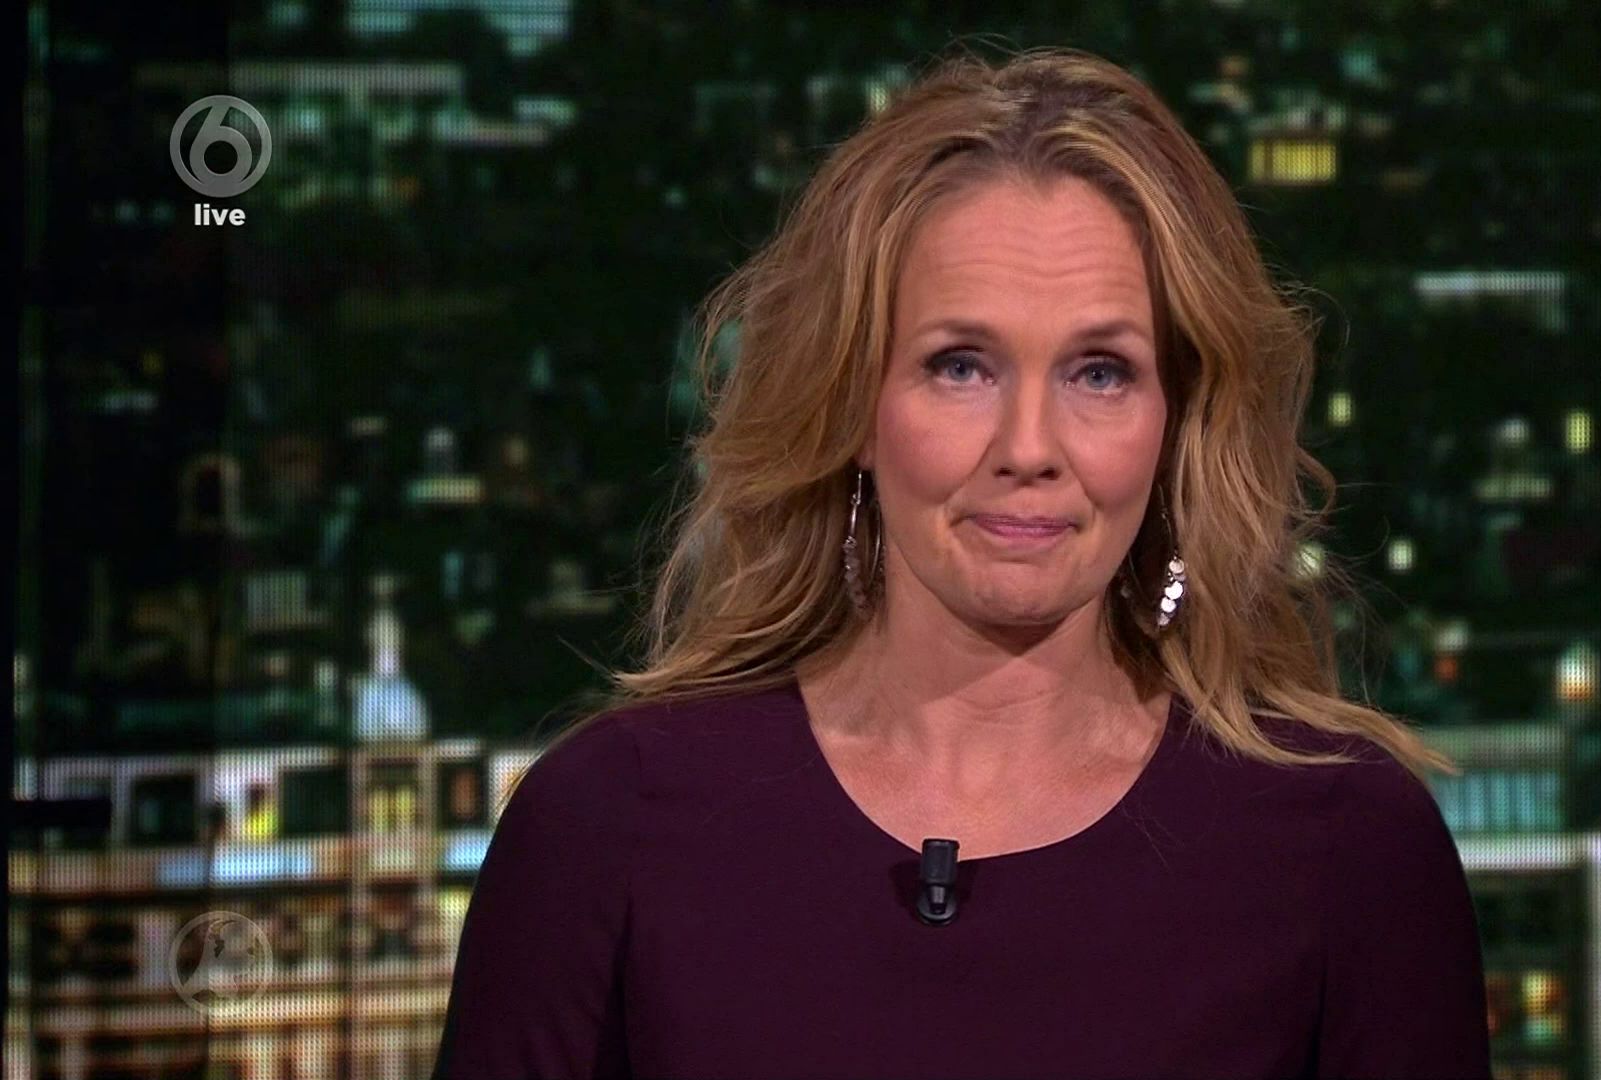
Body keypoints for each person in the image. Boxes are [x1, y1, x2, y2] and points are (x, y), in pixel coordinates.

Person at [432, 44, 1491, 1080]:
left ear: (1177, 422)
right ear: (853, 405)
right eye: (961, 367)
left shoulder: (1349, 851)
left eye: (1100, 372)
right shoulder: (606, 827)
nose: (1029, 448)